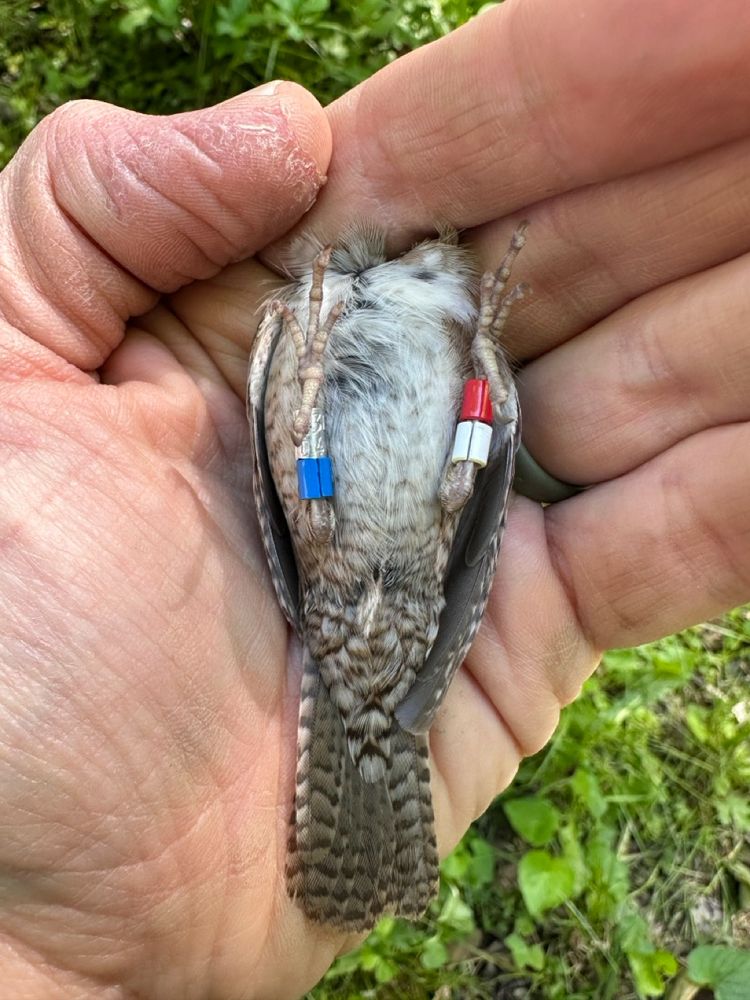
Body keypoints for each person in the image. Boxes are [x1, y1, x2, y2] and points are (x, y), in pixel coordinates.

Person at [0, 0, 748, 996]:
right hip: (353, 553)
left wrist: (470, 356)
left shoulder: (396, 341)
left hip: (373, 556)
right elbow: (327, 480)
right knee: (331, 485)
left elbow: (460, 474)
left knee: (359, 482)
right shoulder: (301, 331)